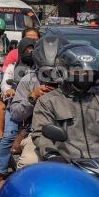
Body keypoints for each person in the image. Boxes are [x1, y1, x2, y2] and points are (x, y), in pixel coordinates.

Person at [31, 44, 99, 161]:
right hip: (69, 165)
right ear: (65, 72)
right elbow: (41, 134)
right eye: (79, 71)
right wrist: (53, 155)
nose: (85, 75)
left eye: (89, 72)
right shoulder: (49, 101)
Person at [10, 36, 68, 169]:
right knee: (28, 164)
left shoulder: (72, 80)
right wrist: (32, 97)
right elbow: (15, 115)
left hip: (71, 133)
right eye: (46, 73)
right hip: (36, 133)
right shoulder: (28, 80)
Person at [0, 37, 36, 184]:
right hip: (15, 106)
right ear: (20, 51)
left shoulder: (40, 69)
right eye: (27, 50)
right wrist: (8, 91)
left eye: (33, 51)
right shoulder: (12, 67)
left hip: (35, 107)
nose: (30, 53)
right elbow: (5, 83)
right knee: (9, 136)